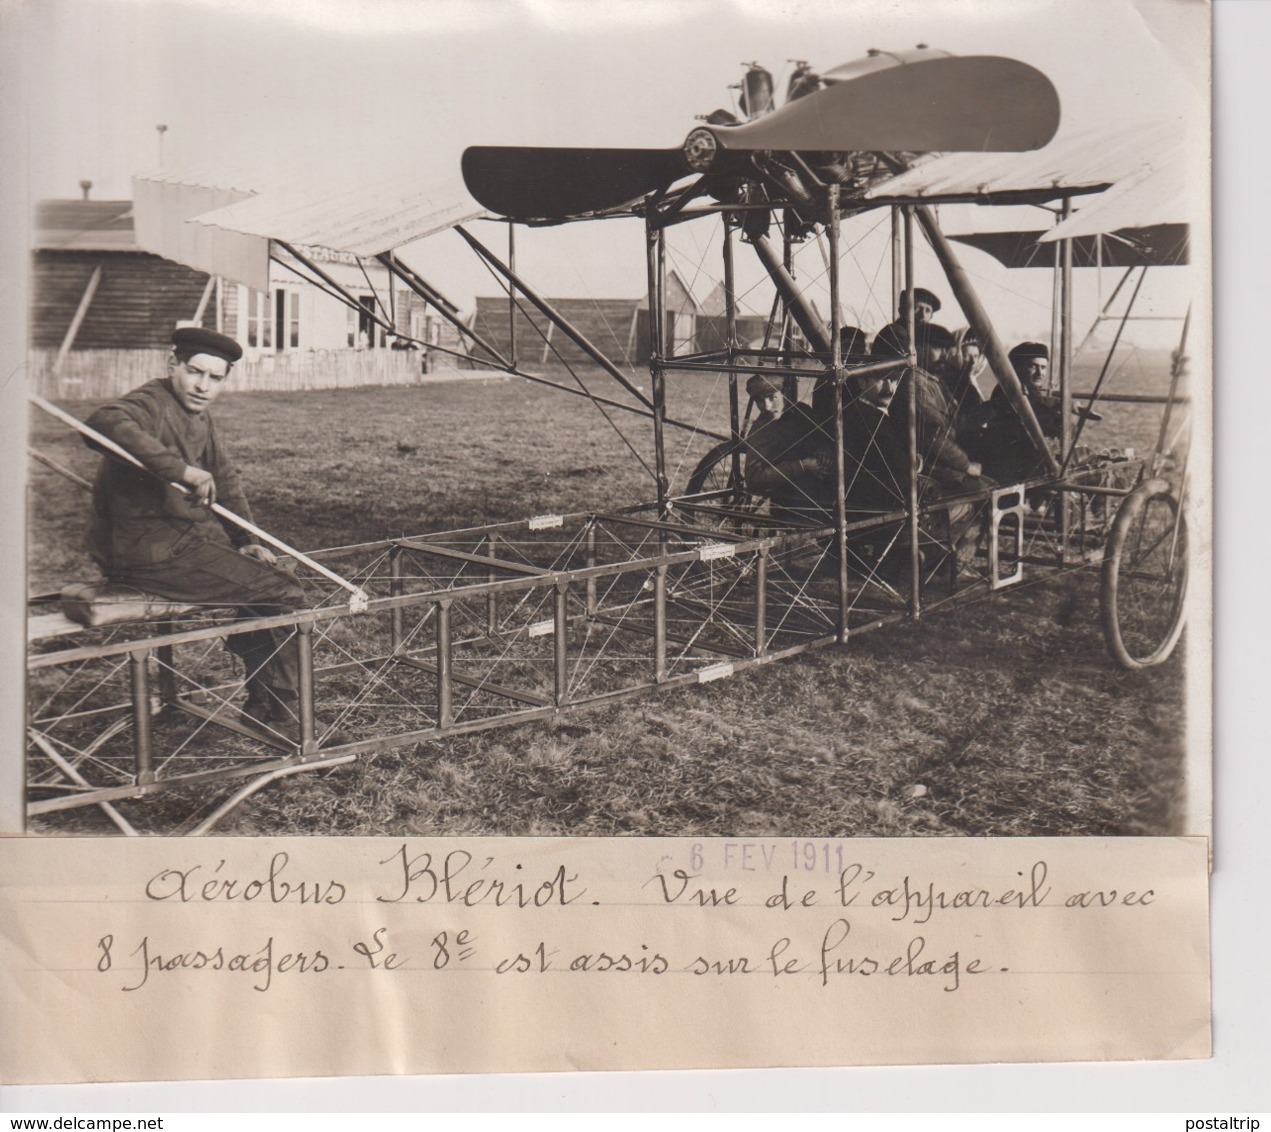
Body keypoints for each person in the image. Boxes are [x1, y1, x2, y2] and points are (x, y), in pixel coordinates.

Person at [84, 326, 307, 739]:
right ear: (173, 365)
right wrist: (180, 469)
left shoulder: (200, 416)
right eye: (194, 372)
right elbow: (101, 422)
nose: (203, 386)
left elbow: (225, 478)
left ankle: (266, 702)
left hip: (177, 545)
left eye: (215, 378)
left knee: (273, 581)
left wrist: (247, 540)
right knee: (283, 591)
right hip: (143, 551)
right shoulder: (151, 401)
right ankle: (279, 714)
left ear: (225, 379)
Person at [976, 340, 1063, 483]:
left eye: (1043, 367)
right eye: (1032, 366)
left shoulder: (1028, 391)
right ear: (1018, 368)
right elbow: (1045, 422)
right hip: (1010, 473)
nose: (1039, 373)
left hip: (1025, 467)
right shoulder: (1008, 392)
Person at [871, 287, 957, 376]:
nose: (922, 315)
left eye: (927, 310)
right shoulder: (895, 332)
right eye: (917, 308)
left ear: (931, 316)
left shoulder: (919, 335)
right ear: (902, 311)